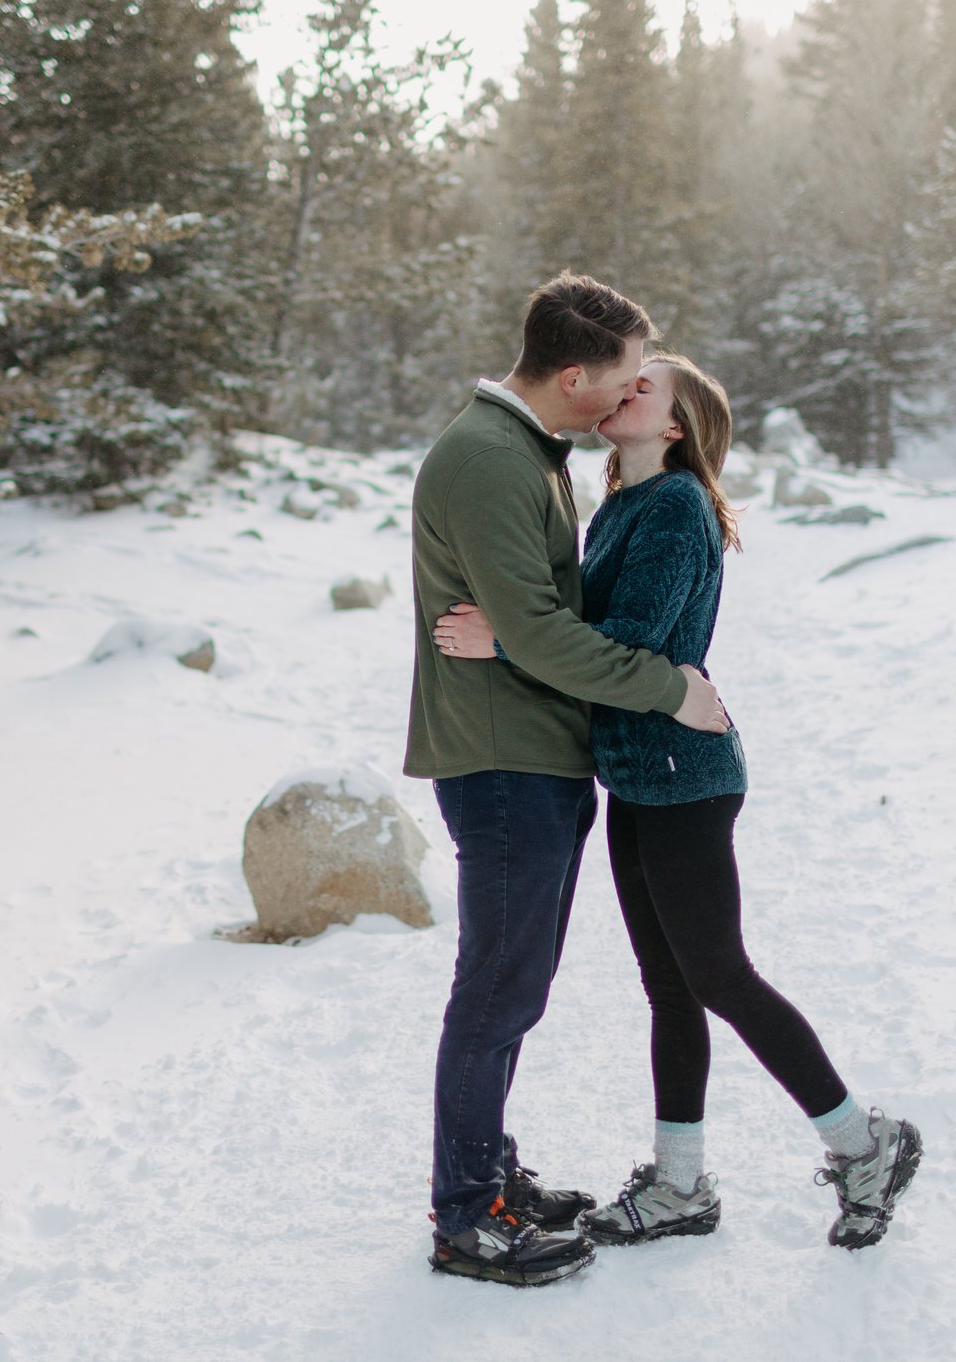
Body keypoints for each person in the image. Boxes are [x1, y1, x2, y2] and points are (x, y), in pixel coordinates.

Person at [435, 353, 922, 1251]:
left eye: (645, 386)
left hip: (685, 776)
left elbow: (625, 642)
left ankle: (864, 1142)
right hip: (636, 772)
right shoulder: (623, 503)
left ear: (675, 427)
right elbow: (592, 636)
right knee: (670, 988)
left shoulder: (675, 506)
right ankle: (680, 1185)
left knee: (717, 974)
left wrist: (505, 639)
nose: (625, 389)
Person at [405, 273, 732, 1287]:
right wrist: (671, 689)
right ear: (581, 374)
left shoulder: (529, 453)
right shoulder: (490, 459)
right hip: (502, 760)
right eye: (630, 374)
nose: (632, 391)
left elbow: (541, 617)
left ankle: (490, 1172)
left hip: (535, 754)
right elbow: (547, 634)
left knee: (517, 986)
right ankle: (466, 1216)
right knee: (496, 989)